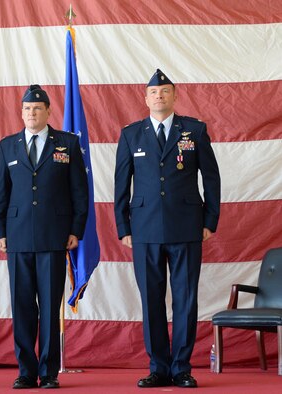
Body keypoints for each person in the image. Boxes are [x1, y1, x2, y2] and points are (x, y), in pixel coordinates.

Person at [114, 70, 221, 388]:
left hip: (187, 227)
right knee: (151, 299)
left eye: (164, 91)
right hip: (144, 229)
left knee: (186, 299)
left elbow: (211, 180)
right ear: (145, 98)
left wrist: (209, 221)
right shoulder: (132, 134)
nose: (159, 95)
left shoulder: (195, 130)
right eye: (153, 92)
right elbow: (121, 184)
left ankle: (181, 367)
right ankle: (158, 366)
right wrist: (123, 226)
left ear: (175, 95)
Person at [0, 85, 88, 389]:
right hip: (18, 236)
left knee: (49, 306)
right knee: (22, 307)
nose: (31, 113)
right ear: (21, 113)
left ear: (48, 111)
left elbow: (79, 192)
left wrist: (76, 229)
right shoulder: (8, 145)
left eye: (37, 108)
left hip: (54, 236)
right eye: (26, 109)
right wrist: (0, 231)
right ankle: (25, 370)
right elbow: (1, 193)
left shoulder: (68, 144)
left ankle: (47, 372)